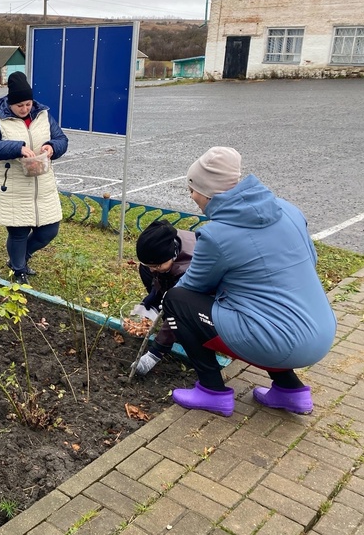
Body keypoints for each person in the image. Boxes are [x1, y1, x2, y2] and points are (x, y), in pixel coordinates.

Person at [161, 147, 335, 416]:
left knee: (176, 301)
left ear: (207, 192)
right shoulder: (287, 209)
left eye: (192, 189)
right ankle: (290, 391)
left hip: (280, 341)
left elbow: (192, 289)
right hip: (320, 329)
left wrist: (160, 308)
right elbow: (310, 260)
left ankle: (212, 392)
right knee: (263, 311)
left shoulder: (217, 235)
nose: (191, 196)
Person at [0, 71, 69, 285]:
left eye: (28, 104)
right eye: (20, 105)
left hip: (42, 185)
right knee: (18, 231)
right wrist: (18, 148)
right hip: (13, 187)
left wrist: (52, 147)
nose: (25, 109)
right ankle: (18, 269)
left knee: (49, 230)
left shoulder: (44, 115)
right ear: (10, 103)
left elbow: (61, 139)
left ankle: (20, 260)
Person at [131, 220, 196, 375]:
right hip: (175, 278)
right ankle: (161, 303)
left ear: (172, 256)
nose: (153, 270)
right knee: (147, 269)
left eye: (157, 266)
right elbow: (158, 271)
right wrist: (154, 294)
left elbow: (181, 308)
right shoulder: (165, 239)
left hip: (213, 304)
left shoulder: (191, 270)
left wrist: (155, 353)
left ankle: (188, 332)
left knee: (179, 309)